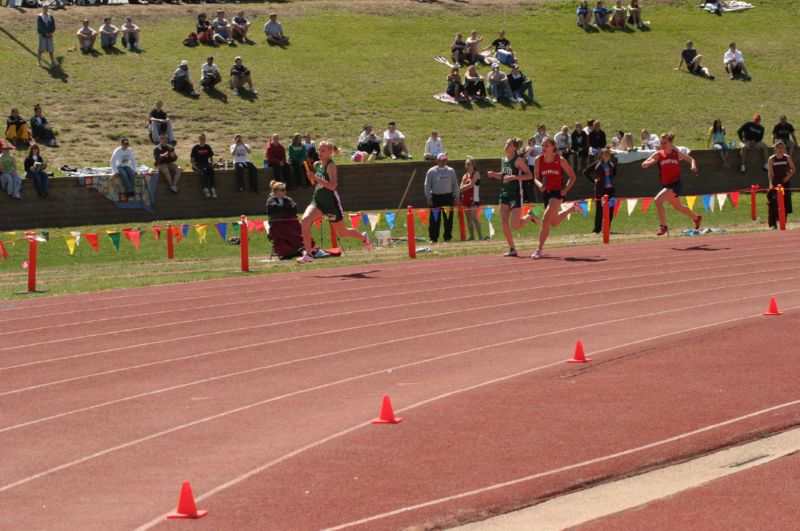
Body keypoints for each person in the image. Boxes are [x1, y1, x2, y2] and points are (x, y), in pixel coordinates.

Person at [297, 141, 371, 264]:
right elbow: (317, 181)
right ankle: (309, 254)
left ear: (329, 152)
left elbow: (332, 186)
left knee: (342, 232)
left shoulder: (331, 166)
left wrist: (315, 178)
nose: (319, 153)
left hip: (331, 204)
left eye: (323, 150)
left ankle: (363, 237)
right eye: (319, 150)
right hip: (318, 201)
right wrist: (312, 177)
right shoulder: (317, 164)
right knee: (305, 220)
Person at [641, 133, 702, 236]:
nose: (662, 145)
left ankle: (663, 226)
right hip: (666, 185)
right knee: (679, 207)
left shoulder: (676, 153)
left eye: (665, 143)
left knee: (658, 200)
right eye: (661, 143)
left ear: (671, 143)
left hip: (675, 184)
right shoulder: (659, 154)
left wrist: (693, 166)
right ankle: (696, 218)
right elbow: (649, 160)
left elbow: (691, 159)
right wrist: (647, 163)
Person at [531, 138, 582, 259]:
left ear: (553, 147)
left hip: (557, 193)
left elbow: (572, 176)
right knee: (553, 223)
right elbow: (535, 178)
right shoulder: (538, 160)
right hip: (546, 193)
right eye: (542, 145)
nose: (543, 148)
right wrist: (539, 185)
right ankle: (571, 208)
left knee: (545, 218)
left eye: (546, 145)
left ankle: (539, 250)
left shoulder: (560, 160)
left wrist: (565, 190)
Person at [487, 138, 538, 257]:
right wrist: (495, 174)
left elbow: (529, 175)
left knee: (515, 225)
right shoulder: (503, 160)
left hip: (515, 195)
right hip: (504, 194)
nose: (506, 145)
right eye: (505, 143)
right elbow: (504, 176)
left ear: (514, 148)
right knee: (504, 223)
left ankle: (530, 215)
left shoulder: (518, 160)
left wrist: (514, 177)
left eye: (508, 144)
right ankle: (512, 249)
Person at [424, 153, 459, 244]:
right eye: (442, 160)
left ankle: (447, 238)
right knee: (435, 219)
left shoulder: (451, 171)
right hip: (436, 197)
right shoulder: (431, 171)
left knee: (448, 219)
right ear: (438, 160)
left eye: (445, 160)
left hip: (448, 197)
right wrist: (429, 197)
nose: (444, 162)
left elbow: (455, 184)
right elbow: (427, 185)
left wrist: (457, 197)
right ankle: (433, 238)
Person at [584, 148, 616, 233]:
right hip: (601, 190)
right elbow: (586, 172)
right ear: (601, 155)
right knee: (599, 210)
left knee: (610, 209)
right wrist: (594, 181)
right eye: (605, 154)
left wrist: (610, 180)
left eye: (608, 154)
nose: (607, 156)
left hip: (610, 190)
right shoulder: (597, 164)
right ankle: (597, 229)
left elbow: (614, 173)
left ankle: (607, 229)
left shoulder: (611, 164)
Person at [766, 141, 795, 229]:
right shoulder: (771, 159)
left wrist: (788, 176)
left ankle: (783, 222)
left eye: (782, 148)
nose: (781, 150)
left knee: (785, 203)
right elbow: (770, 173)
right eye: (779, 148)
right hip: (775, 184)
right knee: (773, 204)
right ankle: (773, 224)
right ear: (775, 149)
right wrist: (771, 184)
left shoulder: (787, 157)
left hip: (785, 184)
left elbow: (793, 169)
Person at [459, 156, 483, 241]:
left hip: (474, 199)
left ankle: (480, 237)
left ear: (473, 165)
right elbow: (460, 188)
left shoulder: (476, 174)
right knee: (468, 219)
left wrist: (465, 187)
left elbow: (472, 185)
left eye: (469, 164)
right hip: (465, 199)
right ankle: (472, 236)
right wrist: (466, 187)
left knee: (474, 218)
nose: (467, 166)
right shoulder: (465, 176)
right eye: (466, 165)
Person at [190, 133, 217, 198]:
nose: (202, 140)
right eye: (201, 138)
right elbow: (192, 160)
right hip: (198, 163)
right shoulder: (195, 148)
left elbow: (211, 158)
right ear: (199, 139)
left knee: (211, 170)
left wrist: (212, 164)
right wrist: (195, 167)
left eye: (204, 139)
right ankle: (205, 188)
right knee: (204, 170)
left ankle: (213, 188)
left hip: (206, 163)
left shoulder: (207, 147)